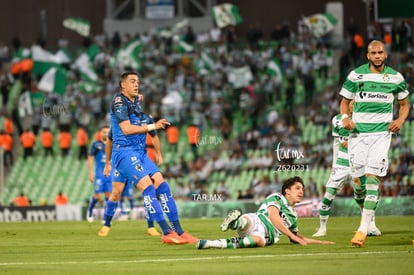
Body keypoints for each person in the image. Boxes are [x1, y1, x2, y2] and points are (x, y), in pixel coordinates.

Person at [98, 71, 197, 244]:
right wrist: (153, 125)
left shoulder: (134, 104)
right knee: (147, 187)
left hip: (140, 154)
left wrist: (158, 152)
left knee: (162, 184)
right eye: (132, 81)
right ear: (123, 85)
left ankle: (179, 231)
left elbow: (146, 128)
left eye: (138, 81)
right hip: (124, 153)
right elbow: (127, 130)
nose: (136, 84)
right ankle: (166, 232)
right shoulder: (119, 102)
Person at [339, 40, 410, 247]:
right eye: (374, 53)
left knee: (372, 179)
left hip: (381, 135)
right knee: (358, 185)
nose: (377, 55)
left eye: (381, 52)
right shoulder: (355, 75)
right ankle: (368, 218)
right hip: (357, 135)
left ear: (385, 54)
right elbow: (345, 102)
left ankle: (362, 229)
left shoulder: (396, 77)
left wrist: (400, 120)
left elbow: (404, 104)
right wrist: (345, 118)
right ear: (368, 55)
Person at [196, 176, 335, 249]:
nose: (301, 192)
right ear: (287, 190)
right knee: (247, 222)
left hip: (265, 237)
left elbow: (296, 237)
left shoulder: (294, 215)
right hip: (258, 221)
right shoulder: (277, 197)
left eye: (302, 189)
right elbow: (273, 217)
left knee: (257, 241)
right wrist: (291, 235)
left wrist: (321, 242)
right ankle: (235, 222)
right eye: (297, 188)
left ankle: (208, 243)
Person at [313, 108, 381, 237]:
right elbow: (336, 144)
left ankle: (370, 225)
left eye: (355, 103)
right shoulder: (337, 120)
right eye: (350, 102)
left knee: (361, 195)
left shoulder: (363, 118)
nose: (352, 105)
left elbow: (369, 141)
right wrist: (334, 165)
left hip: (358, 162)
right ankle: (322, 229)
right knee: (328, 195)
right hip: (341, 163)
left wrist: (351, 143)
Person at [86, 125, 112, 222]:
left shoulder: (113, 144)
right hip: (99, 174)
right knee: (97, 196)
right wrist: (90, 173)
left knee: (108, 196)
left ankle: (105, 217)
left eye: (107, 132)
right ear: (100, 133)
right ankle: (90, 210)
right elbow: (90, 158)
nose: (106, 133)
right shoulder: (96, 144)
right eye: (104, 132)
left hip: (110, 174)